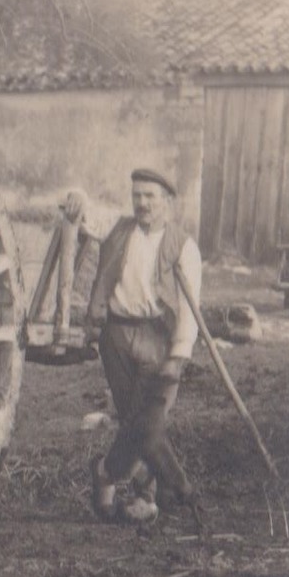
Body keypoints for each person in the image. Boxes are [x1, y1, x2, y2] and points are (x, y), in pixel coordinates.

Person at [84, 167, 205, 526]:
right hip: (117, 337)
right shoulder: (119, 229)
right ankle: (146, 497)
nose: (142, 203)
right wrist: (76, 198)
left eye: (150, 196)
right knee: (133, 421)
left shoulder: (183, 246)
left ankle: (109, 473)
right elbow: (86, 215)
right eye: (137, 195)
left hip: (158, 340)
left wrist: (179, 354)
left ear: (167, 202)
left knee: (148, 425)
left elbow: (189, 307)